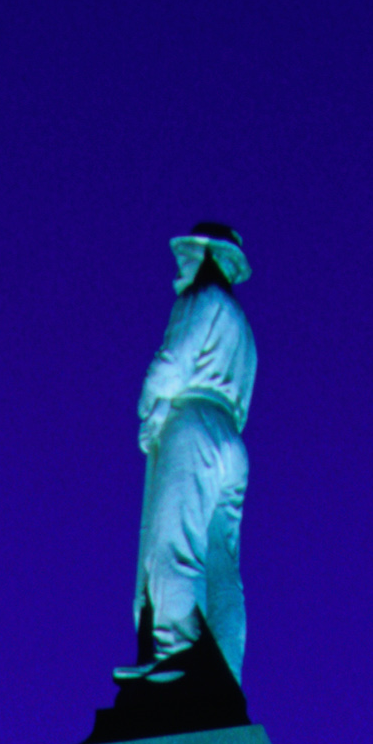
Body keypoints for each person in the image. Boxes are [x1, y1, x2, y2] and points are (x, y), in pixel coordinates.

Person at [121, 224, 256, 685]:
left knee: (171, 546)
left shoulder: (201, 299)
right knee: (221, 561)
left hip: (192, 423)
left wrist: (147, 408)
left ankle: (175, 653)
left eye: (189, 253)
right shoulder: (244, 328)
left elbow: (171, 365)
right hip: (231, 439)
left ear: (210, 257)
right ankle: (225, 674)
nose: (180, 262)